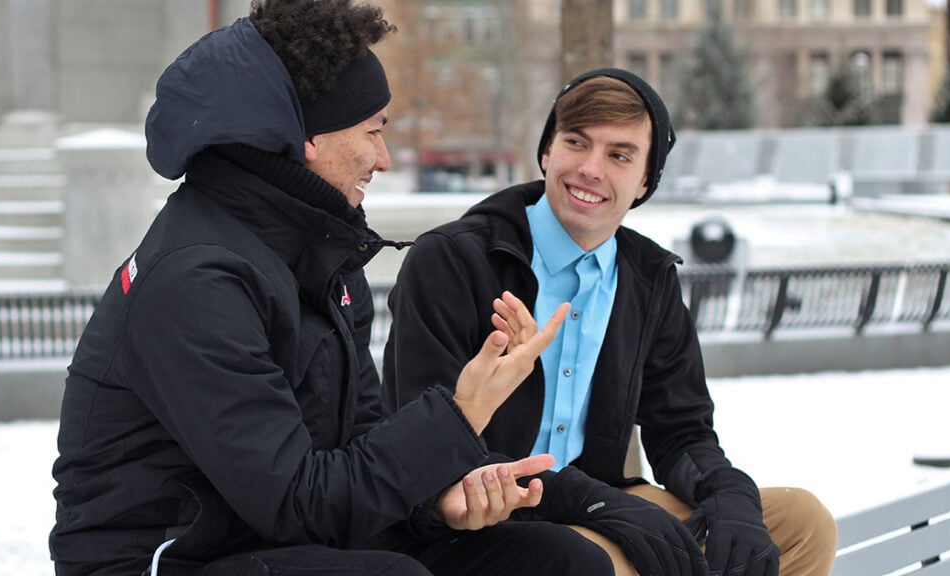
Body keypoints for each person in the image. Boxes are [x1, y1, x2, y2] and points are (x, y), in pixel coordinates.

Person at [47, 2, 613, 575]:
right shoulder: (196, 281)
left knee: (558, 560)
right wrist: (464, 410)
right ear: (307, 138)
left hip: (271, 539)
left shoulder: (318, 254)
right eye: (372, 132)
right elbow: (298, 501)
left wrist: (438, 500)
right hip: (164, 558)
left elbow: (356, 440)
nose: (383, 159)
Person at [382, 68, 840, 576]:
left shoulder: (647, 279)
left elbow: (681, 429)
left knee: (801, 522)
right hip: (480, 520)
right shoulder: (454, 261)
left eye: (620, 155)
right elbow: (424, 444)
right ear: (546, 152)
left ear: (646, 180)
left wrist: (729, 494)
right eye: (576, 143)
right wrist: (600, 504)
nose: (591, 169)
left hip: (596, 508)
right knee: (599, 562)